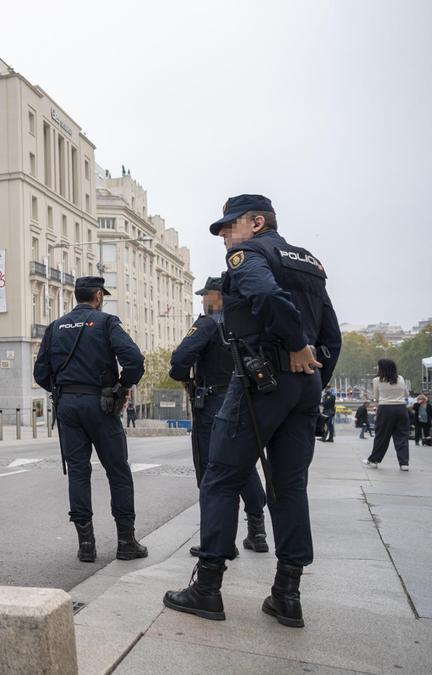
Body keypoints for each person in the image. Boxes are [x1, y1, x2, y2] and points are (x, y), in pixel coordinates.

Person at [164, 194, 341, 629]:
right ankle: (287, 594)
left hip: (263, 382)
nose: (224, 235)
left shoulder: (250, 256)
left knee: (221, 477)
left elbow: (265, 294)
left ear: (257, 222)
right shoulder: (310, 262)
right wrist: (312, 375)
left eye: (229, 226)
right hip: (304, 384)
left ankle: (206, 589)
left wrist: (295, 345)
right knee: (289, 487)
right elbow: (332, 336)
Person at [33, 277, 147, 563]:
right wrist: (121, 388)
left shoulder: (55, 326)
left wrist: (62, 391)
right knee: (117, 471)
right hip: (101, 404)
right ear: (97, 296)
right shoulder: (107, 322)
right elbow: (134, 360)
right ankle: (126, 542)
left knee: (78, 471)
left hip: (67, 405)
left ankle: (86, 546)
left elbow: (40, 373)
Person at [170, 275, 268, 558]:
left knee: (212, 471)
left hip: (213, 403)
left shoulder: (208, 323)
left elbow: (179, 360)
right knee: (243, 465)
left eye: (206, 295)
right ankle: (257, 530)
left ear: (217, 297)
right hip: (244, 402)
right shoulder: (247, 322)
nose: (202, 300)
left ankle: (218, 539)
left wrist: (182, 377)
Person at [362, 359, 410, 471]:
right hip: (401, 408)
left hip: (385, 409)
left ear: (382, 368)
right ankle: (404, 463)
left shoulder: (377, 380)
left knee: (382, 436)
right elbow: (406, 394)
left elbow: (376, 397)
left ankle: (374, 460)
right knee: (402, 436)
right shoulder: (401, 378)